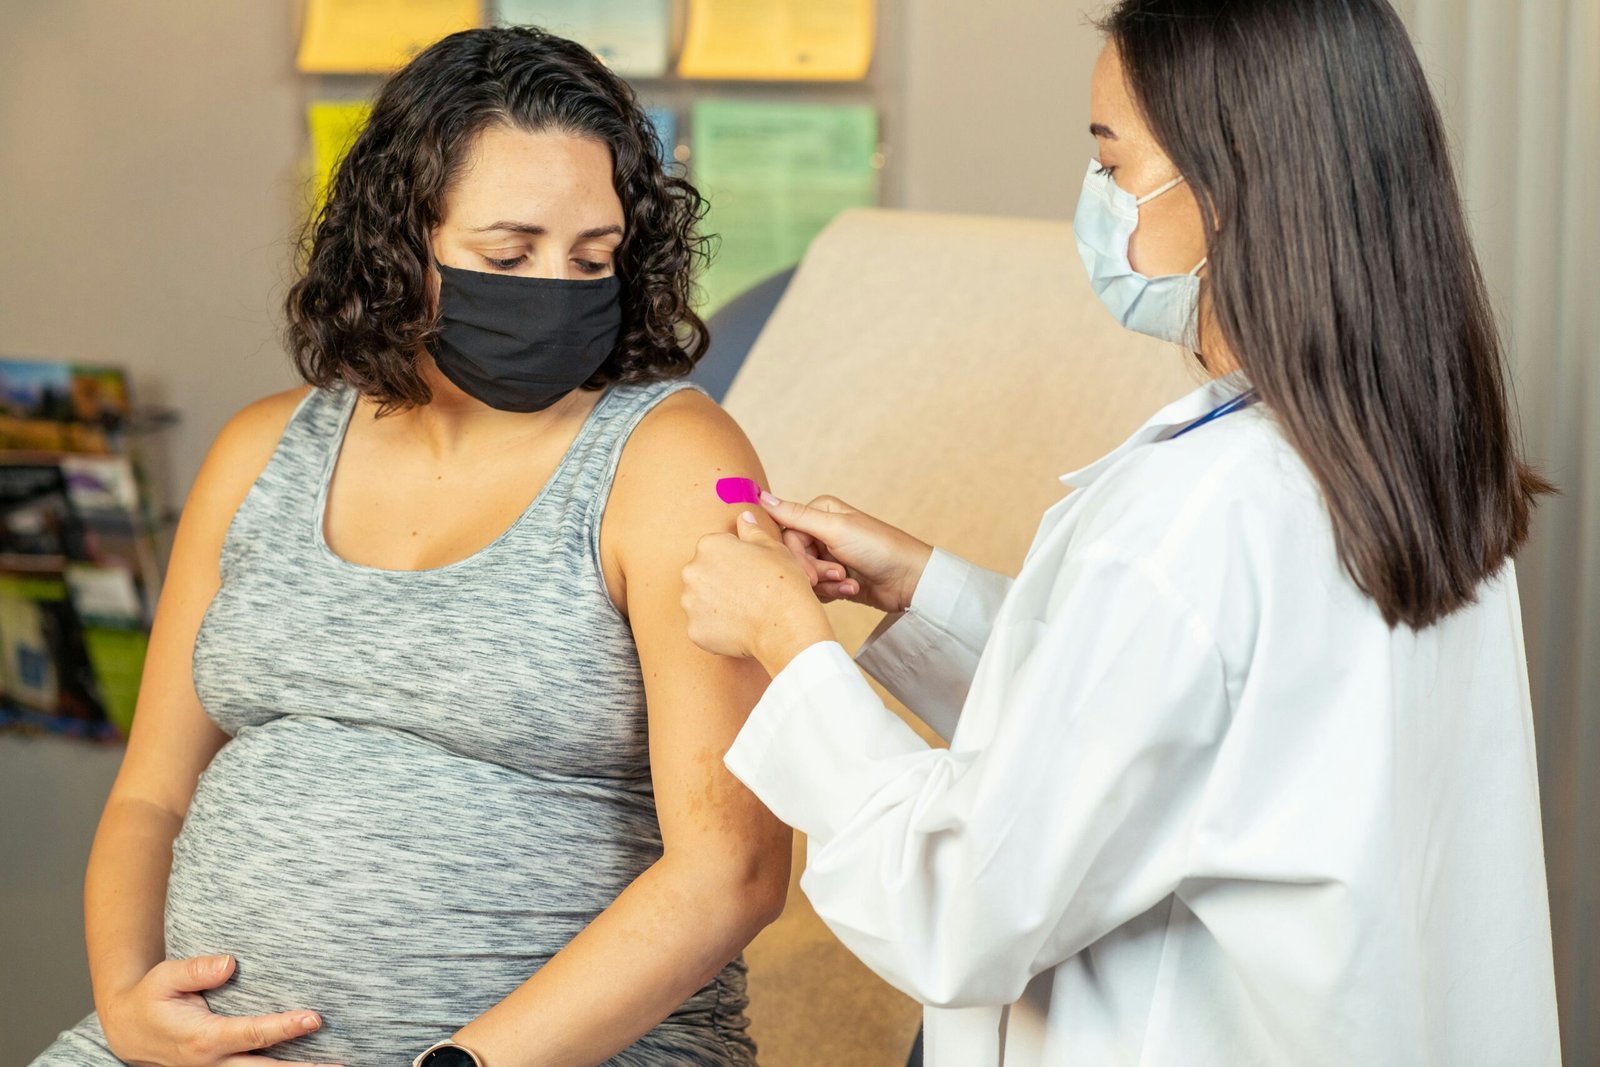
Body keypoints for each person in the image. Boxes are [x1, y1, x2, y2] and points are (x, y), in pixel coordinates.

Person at [679, 0, 1561, 1064]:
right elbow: (1176, 728)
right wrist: (923, 588)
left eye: (1112, 160)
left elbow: (960, 910)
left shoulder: (1201, 510)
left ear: (1233, 183)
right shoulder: (1394, 453)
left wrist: (789, 647)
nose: (1095, 199)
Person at [34, 26, 791, 1067]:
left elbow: (735, 868)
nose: (558, 289)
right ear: (399, 242)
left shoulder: (673, 458)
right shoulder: (260, 448)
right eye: (508, 254)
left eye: (594, 257)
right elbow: (151, 793)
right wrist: (126, 1002)